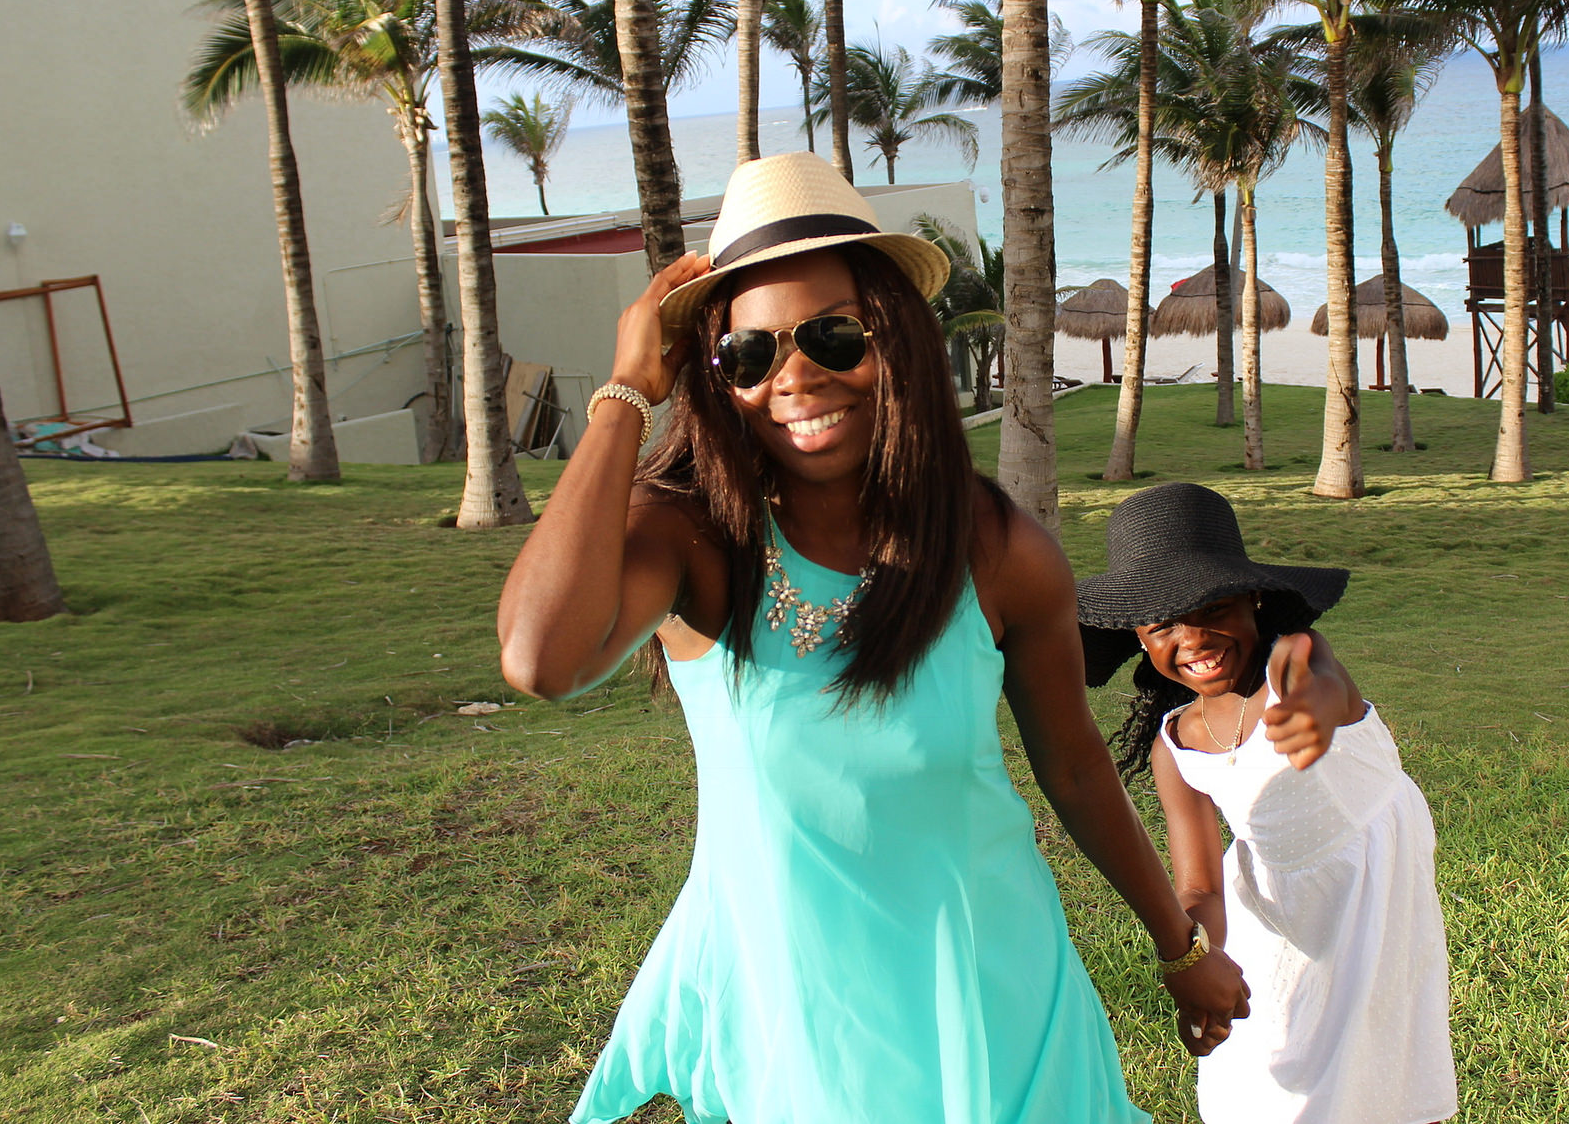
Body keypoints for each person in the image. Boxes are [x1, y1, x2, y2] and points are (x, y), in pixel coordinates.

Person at [497, 153, 1250, 1124]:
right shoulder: (696, 540)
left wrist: (1178, 948)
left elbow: (1071, 769)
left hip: (996, 986)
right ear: (713, 374)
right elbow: (539, 658)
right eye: (750, 354)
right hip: (807, 1015)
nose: (796, 375)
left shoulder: (996, 547)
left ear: (893, 338)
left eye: (833, 336)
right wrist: (624, 392)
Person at [1076, 482, 1458, 1124]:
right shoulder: (1178, 747)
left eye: (1211, 607)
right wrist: (1204, 965)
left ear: (1253, 597)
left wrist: (1315, 708)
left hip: (1372, 915)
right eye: (1163, 624)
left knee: (1373, 1087)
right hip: (1274, 933)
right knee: (1269, 1089)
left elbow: (1320, 676)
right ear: (1138, 638)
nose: (1192, 638)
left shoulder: (1293, 663)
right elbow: (1199, 886)